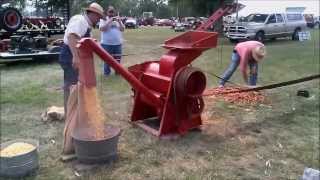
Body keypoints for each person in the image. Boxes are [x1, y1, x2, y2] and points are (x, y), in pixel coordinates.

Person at [59, 2, 104, 114]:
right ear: (92, 14)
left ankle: (75, 112)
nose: (99, 20)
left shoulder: (86, 25)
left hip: (74, 55)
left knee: (75, 85)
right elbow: (72, 36)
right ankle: (70, 115)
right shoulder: (80, 20)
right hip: (70, 55)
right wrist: (75, 57)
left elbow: (88, 43)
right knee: (71, 86)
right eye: (98, 17)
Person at [99, 5, 125, 76]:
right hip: (106, 44)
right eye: (110, 12)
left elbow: (122, 29)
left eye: (112, 12)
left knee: (117, 60)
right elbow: (102, 29)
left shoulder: (117, 20)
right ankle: (107, 74)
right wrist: (109, 21)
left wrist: (119, 22)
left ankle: (117, 73)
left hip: (118, 44)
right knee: (107, 60)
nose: (111, 13)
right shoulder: (103, 19)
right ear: (107, 12)